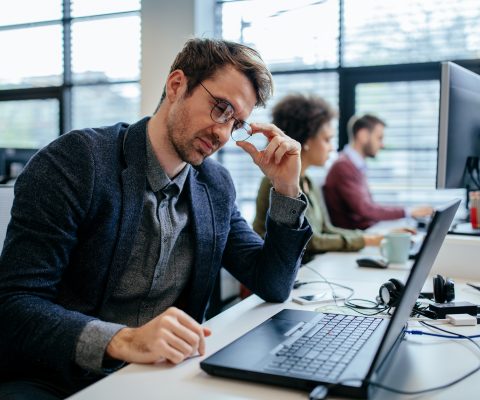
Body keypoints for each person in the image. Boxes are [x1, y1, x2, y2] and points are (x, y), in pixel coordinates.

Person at [0, 38, 312, 399]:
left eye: (237, 123)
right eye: (221, 109)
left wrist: (286, 188)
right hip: (57, 379)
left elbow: (272, 284)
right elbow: (15, 303)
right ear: (177, 85)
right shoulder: (76, 162)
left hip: (161, 380)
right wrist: (122, 339)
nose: (223, 134)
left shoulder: (215, 186)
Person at [253, 94, 382, 263]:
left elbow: (326, 229)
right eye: (327, 140)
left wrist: (369, 237)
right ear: (306, 140)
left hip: (310, 270)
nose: (331, 148)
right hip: (281, 272)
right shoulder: (275, 183)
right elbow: (309, 240)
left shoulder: (310, 182)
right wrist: (364, 240)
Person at [323, 114, 433, 230]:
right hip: (357, 236)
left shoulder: (355, 164)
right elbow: (365, 209)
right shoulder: (343, 166)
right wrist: (408, 212)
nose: (382, 144)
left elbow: (368, 207)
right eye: (379, 138)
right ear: (363, 135)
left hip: (367, 230)